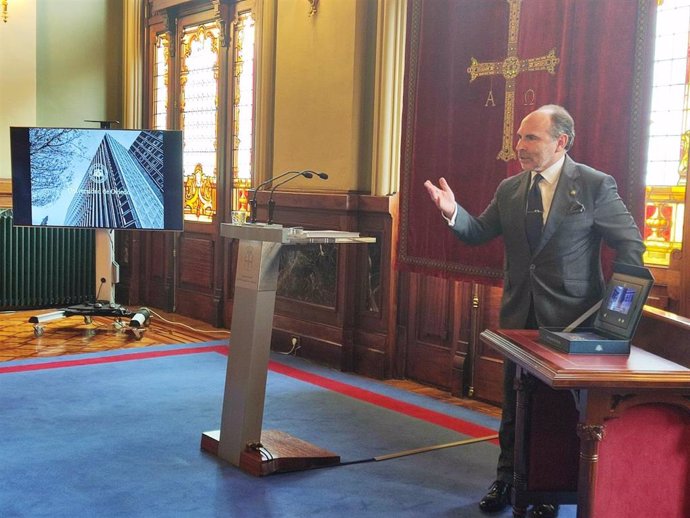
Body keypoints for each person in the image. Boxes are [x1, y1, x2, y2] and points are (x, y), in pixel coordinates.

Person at [424, 105, 645, 518]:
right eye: (519, 138)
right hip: (518, 319)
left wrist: (617, 310)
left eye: (531, 138)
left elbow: (630, 245)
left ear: (561, 142)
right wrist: (452, 211)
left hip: (573, 321)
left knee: (559, 411)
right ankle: (507, 479)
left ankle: (548, 489)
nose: (520, 146)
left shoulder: (594, 186)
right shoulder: (510, 188)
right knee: (515, 401)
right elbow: (478, 232)